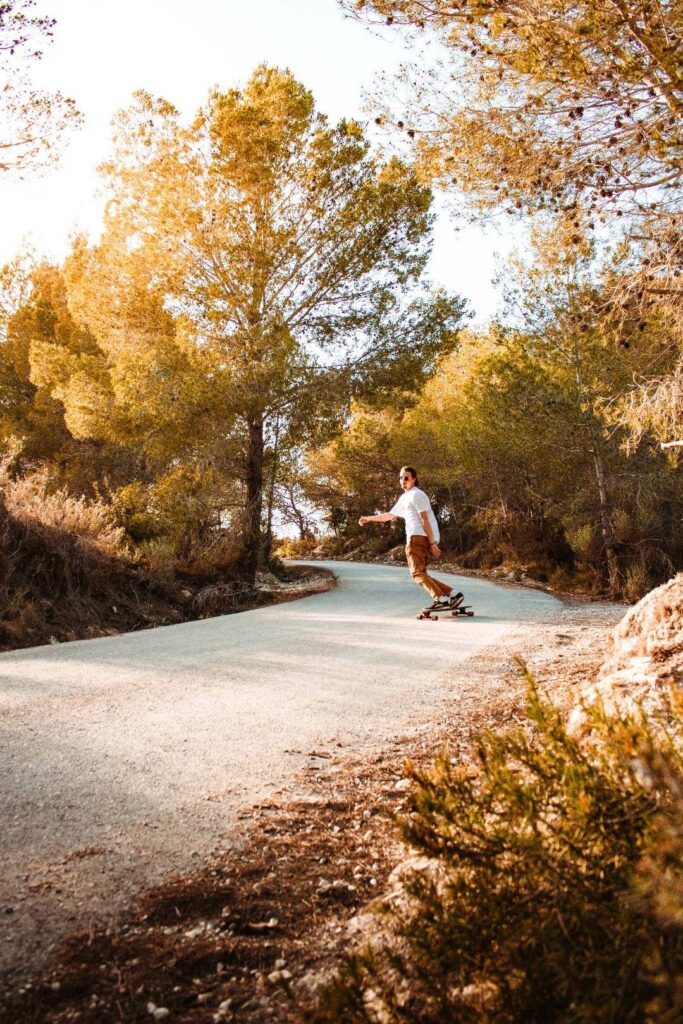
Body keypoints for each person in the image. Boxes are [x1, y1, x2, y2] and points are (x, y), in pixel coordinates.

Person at [358, 466, 464, 612]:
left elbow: (424, 519)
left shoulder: (417, 495)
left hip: (418, 537)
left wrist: (432, 543)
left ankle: (440, 598)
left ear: (414, 479)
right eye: (401, 478)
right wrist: (369, 518)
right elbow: (389, 515)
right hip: (420, 537)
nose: (403, 481)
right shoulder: (405, 497)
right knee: (421, 572)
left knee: (417, 573)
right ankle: (453, 594)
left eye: (406, 478)